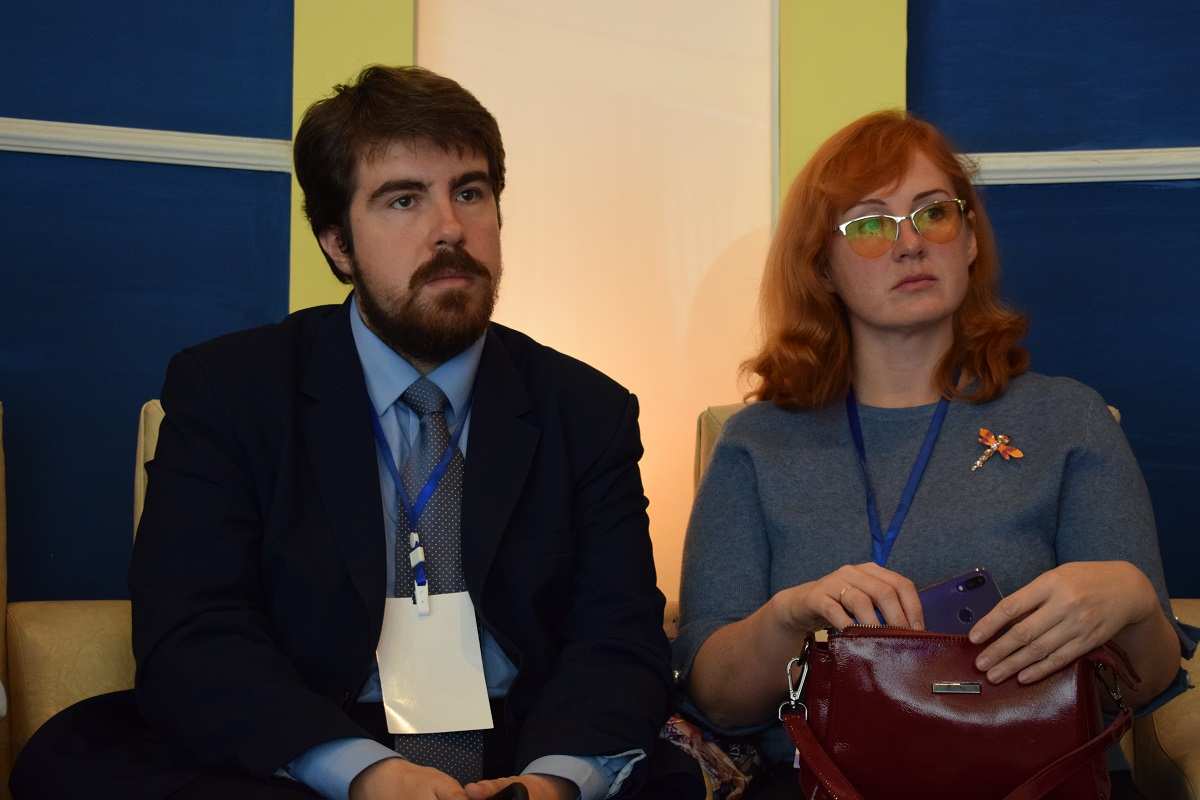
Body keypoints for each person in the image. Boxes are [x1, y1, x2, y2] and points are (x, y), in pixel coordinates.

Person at [12, 66, 685, 800]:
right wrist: (364, 774)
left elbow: (619, 639)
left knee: (667, 779)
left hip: (518, 745)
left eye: (470, 192)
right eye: (404, 200)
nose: (450, 228)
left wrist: (551, 785)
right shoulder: (230, 391)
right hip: (310, 743)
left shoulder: (584, 410)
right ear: (338, 244)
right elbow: (193, 630)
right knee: (72, 758)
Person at [673, 110, 1195, 799]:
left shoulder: (1069, 418)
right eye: (869, 225)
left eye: (933, 214)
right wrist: (789, 618)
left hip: (1037, 783)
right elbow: (715, 700)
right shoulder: (756, 443)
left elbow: (1150, 684)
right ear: (821, 266)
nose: (910, 243)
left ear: (970, 239)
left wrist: (1134, 601)